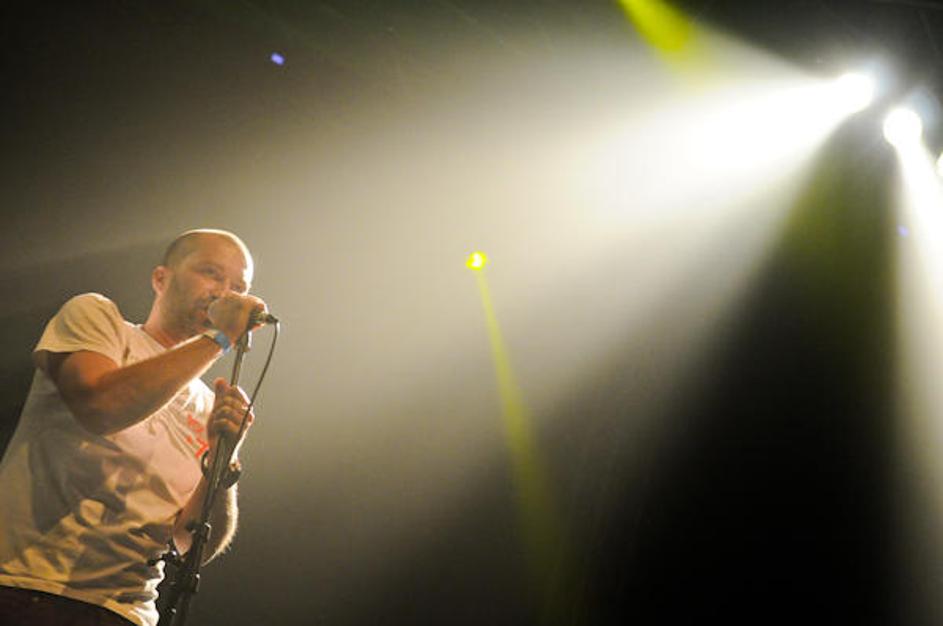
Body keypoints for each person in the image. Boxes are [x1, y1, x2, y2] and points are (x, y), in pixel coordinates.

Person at [0, 229, 268, 626]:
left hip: (127, 613)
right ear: (160, 278)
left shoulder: (211, 405)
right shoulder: (97, 319)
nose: (225, 293)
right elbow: (101, 407)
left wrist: (222, 462)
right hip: (26, 589)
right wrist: (221, 338)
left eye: (239, 287)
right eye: (211, 273)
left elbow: (187, 541)